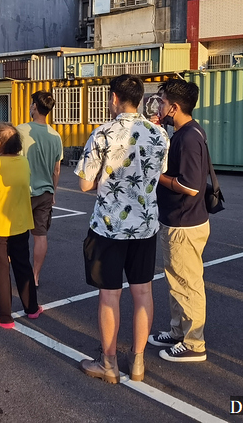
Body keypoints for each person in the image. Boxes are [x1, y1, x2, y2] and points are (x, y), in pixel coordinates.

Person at [75, 74, 168, 384]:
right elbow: (158, 174)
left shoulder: (102, 134)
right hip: (145, 225)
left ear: (114, 98)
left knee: (109, 295)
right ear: (139, 99)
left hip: (109, 227)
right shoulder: (158, 135)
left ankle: (109, 362)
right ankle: (138, 362)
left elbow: (85, 184)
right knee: (143, 291)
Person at [150, 79, 210, 364]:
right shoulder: (185, 132)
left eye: (161, 102)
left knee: (187, 284)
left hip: (185, 223)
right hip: (179, 220)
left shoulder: (188, 138)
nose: (158, 106)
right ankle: (178, 331)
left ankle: (194, 343)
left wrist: (156, 175)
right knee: (177, 282)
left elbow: (190, 186)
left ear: (174, 107)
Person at [0, 122, 41, 328]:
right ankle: (32, 307)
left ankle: (4, 316)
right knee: (23, 265)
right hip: (20, 222)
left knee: (1, 269)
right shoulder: (24, 162)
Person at [17, 91, 64, 288]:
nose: (29, 107)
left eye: (31, 104)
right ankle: (35, 276)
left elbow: (14, 161)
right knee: (40, 235)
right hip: (45, 191)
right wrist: (53, 191)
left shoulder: (20, 130)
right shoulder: (55, 136)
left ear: (35, 106)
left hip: (22, 191)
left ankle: (16, 271)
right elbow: (56, 169)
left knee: (16, 236)